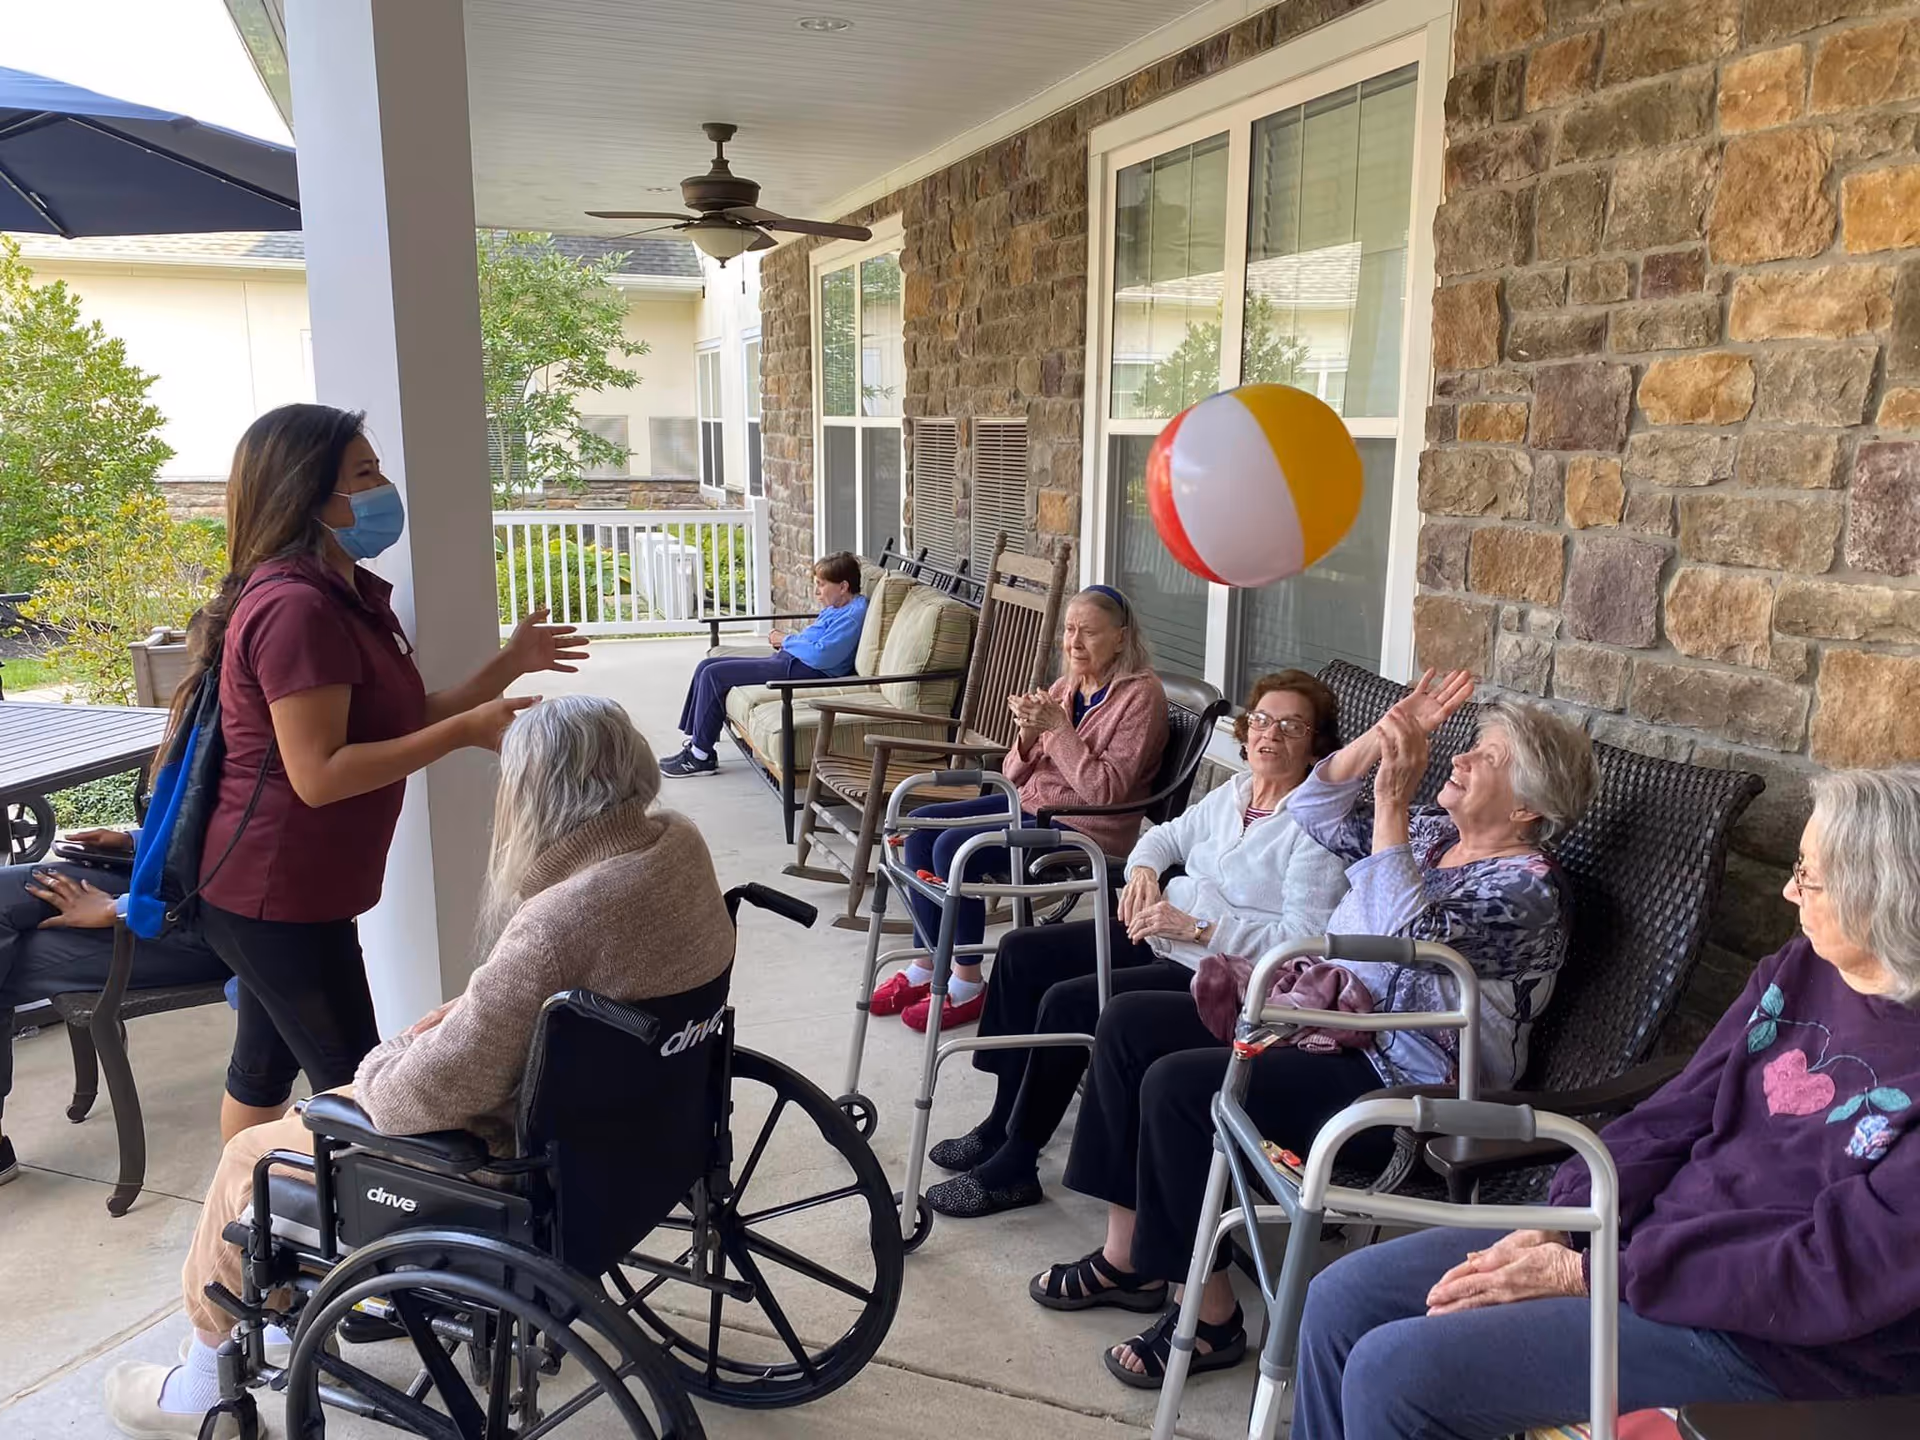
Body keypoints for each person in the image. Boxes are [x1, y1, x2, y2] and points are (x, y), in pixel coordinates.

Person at [104, 695, 738, 1440]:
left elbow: (430, 1094)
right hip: (651, 1126)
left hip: (512, 1166)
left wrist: (378, 1066)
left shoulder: (562, 918)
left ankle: (203, 1383)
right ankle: (278, 1319)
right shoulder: (674, 845)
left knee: (255, 1152)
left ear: (537, 794)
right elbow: (503, 1020)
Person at [1292, 765, 1920, 1440]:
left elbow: (1833, 1271)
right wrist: (1570, 1219)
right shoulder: (1798, 971)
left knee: (1399, 1375)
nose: (1789, 889)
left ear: (1881, 895)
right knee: (1341, 1299)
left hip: (1771, 1341)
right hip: (1640, 1248)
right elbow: (1677, 1113)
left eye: (1811, 876)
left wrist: (1594, 1271)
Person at [1036, 670, 1599, 1389]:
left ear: (1526, 805)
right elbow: (1312, 805)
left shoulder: (1525, 891)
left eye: (1485, 756)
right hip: (1322, 1024)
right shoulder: (1432, 835)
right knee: (1128, 1024)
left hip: (1405, 1085)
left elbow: (1404, 928)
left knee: (1179, 1088)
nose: (1458, 759)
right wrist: (1391, 732)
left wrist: (1393, 803)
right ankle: (1129, 1259)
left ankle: (1209, 1319)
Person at [181, 403, 587, 1145]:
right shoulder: (296, 609)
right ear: (308, 495)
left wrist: (508, 664)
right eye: (363, 475)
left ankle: (244, 1226)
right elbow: (320, 774)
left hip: (306, 886)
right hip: (272, 894)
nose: (382, 487)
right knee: (369, 1087)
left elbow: (395, 715)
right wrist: (462, 734)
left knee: (261, 1069)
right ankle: (351, 1243)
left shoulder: (350, 594)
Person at [922, 670, 1349, 1219]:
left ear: (1317, 744)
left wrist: (1199, 928)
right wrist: (1145, 870)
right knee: (1022, 953)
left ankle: (1016, 1163)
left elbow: (1302, 942)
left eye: (1292, 726)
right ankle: (1001, 1120)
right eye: (1262, 720)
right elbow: (1164, 835)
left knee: (1067, 1002)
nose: (1271, 734)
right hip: (1160, 933)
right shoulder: (1235, 792)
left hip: (1216, 969)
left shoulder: (1315, 830)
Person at [868, 585, 1169, 1032]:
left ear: (1121, 638)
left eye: (1089, 632)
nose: (1074, 642)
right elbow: (1012, 772)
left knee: (954, 849)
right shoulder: (1067, 686)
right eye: (1069, 630)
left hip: (1084, 827)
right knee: (921, 832)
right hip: (1031, 805)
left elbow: (1106, 791)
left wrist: (1058, 729)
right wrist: (1029, 735)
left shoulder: (1139, 697)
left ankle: (968, 984)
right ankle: (930, 964)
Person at [0, 831, 229, 1185]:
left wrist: (119, 908)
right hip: (162, 874)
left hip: (207, 924)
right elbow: (202, 815)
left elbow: (251, 869)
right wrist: (133, 842)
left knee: (13, 962)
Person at [660, 551, 867, 777]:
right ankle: (698, 747)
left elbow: (821, 655)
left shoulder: (851, 617)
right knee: (706, 666)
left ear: (843, 586)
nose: (816, 591)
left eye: (821, 585)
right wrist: (789, 642)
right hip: (791, 661)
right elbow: (811, 640)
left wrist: (786, 640)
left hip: (804, 670)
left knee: (714, 675)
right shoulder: (838, 607)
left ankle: (699, 757)